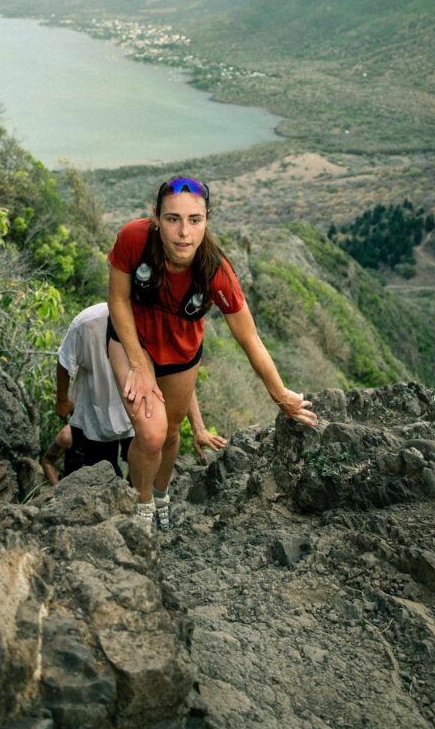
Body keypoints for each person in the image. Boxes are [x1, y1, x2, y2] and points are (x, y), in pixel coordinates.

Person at [107, 176, 317, 530]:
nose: (183, 233)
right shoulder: (134, 239)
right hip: (131, 340)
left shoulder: (215, 272)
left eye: (195, 220)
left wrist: (280, 394)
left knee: (171, 433)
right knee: (151, 433)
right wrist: (139, 363)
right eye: (173, 219)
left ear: (207, 220)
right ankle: (141, 502)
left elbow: (250, 338)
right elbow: (117, 299)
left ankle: (161, 493)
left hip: (180, 351)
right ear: (156, 217)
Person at [41, 302, 222, 491]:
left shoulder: (156, 322)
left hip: (140, 412)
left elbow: (178, 381)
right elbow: (65, 360)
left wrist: (198, 427)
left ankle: (137, 499)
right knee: (102, 477)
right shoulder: (87, 323)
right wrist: (62, 399)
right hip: (97, 413)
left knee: (143, 467)